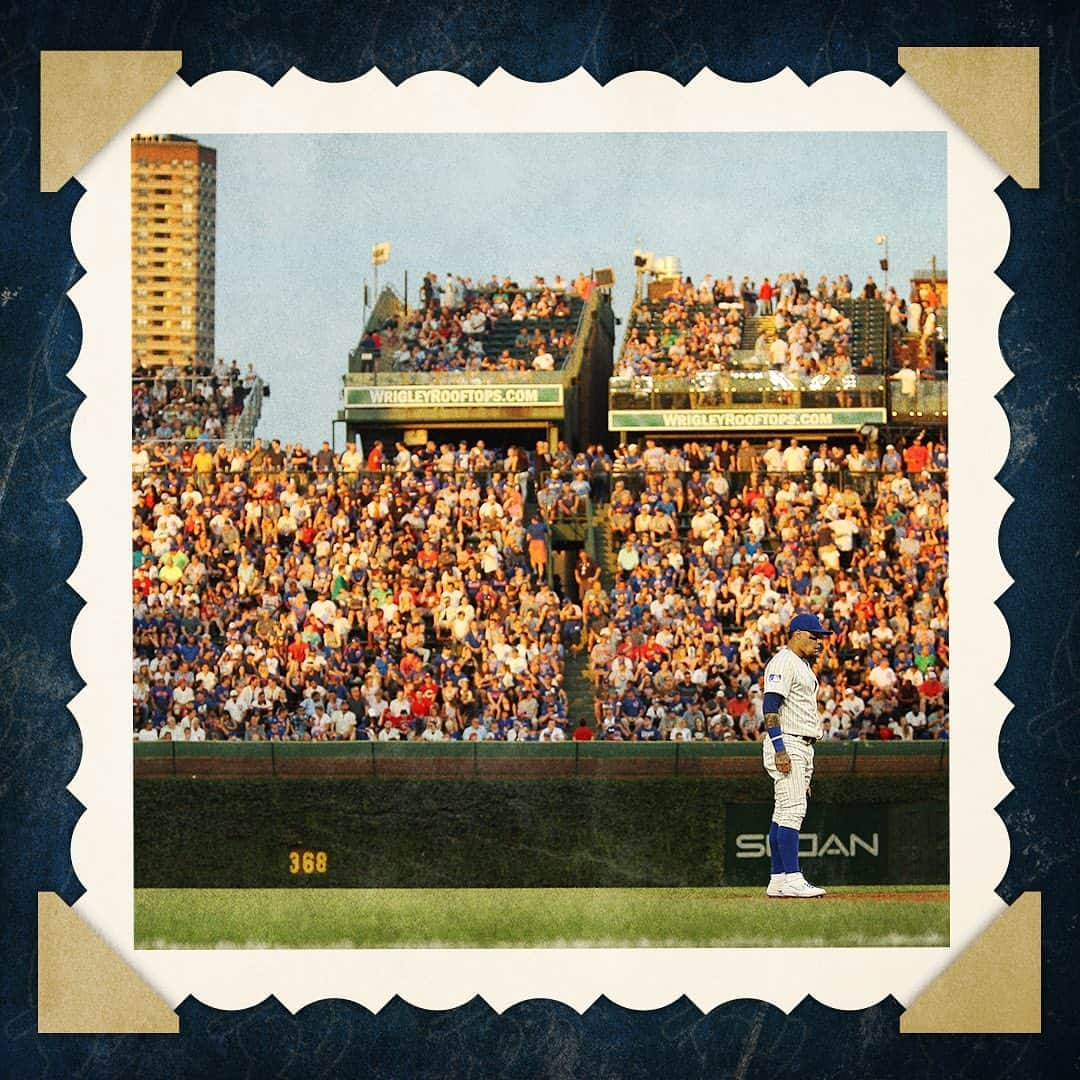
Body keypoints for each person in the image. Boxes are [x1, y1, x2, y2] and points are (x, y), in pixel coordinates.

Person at [760, 612, 832, 898]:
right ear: (797, 633)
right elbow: (770, 705)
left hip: (801, 744)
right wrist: (780, 749)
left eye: (821, 638)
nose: (819, 642)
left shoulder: (800, 664)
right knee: (793, 810)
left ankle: (778, 879)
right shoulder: (783, 662)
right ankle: (793, 876)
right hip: (788, 741)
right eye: (814, 636)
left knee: (783, 811)